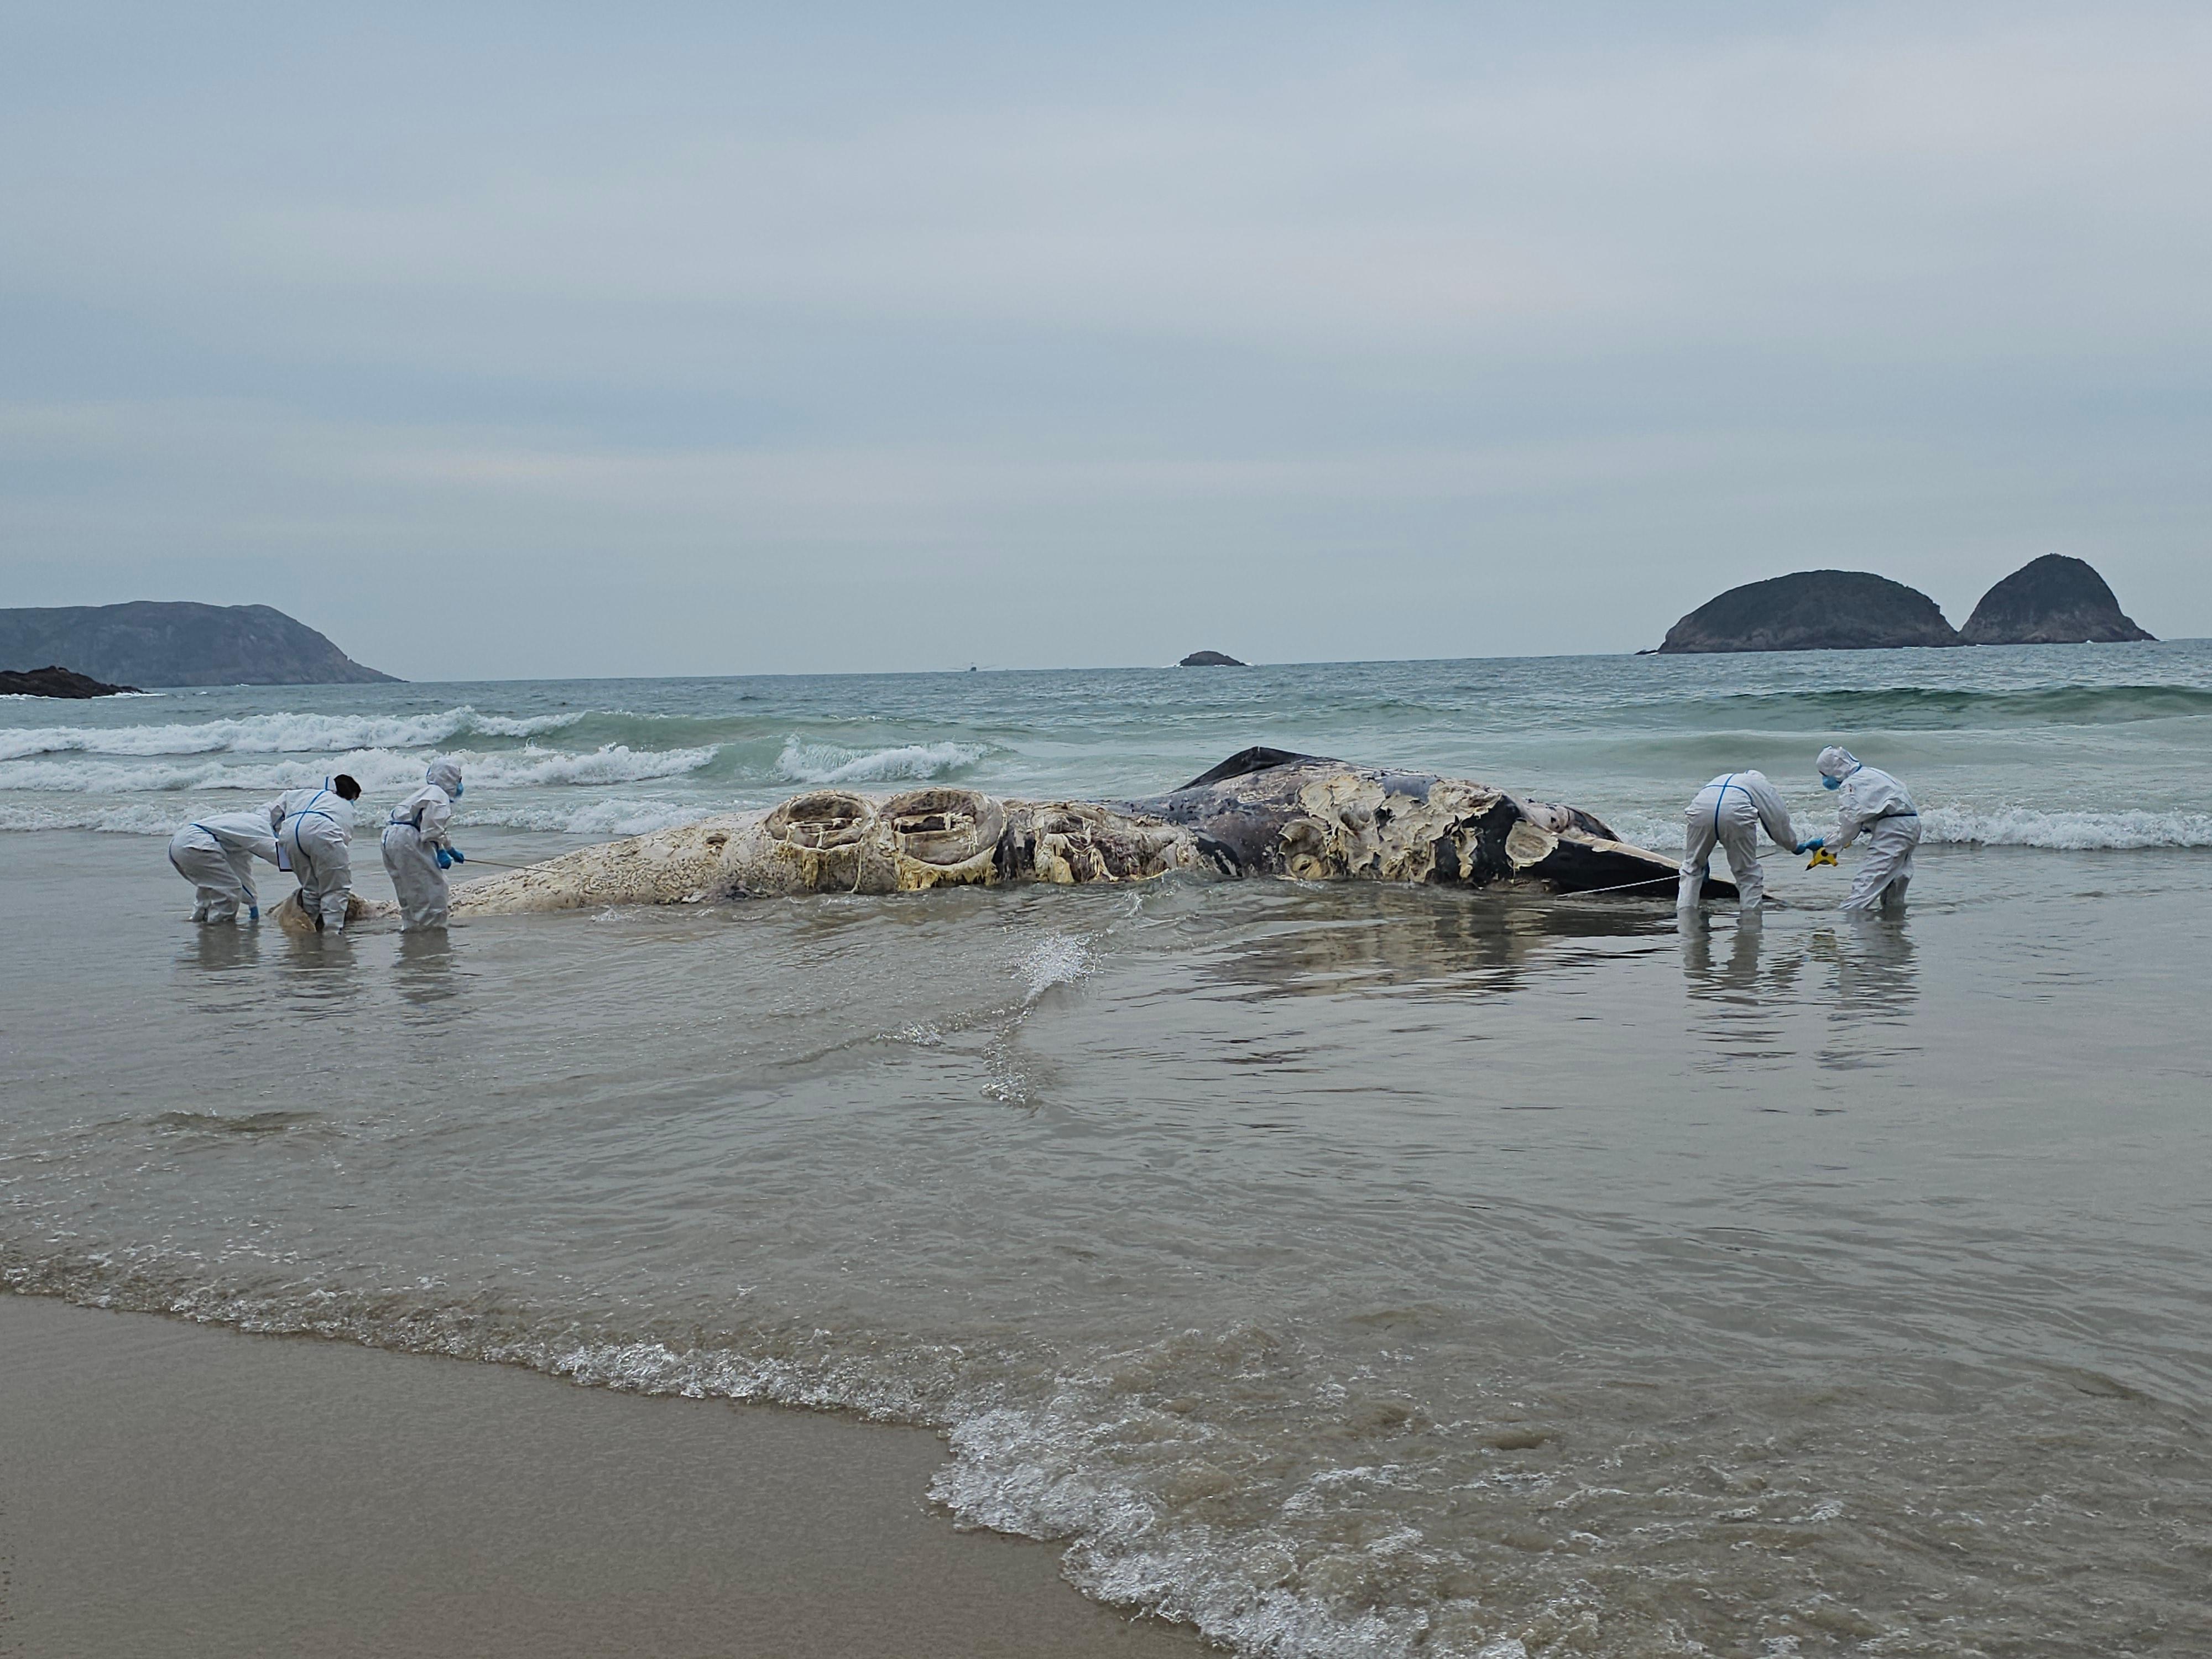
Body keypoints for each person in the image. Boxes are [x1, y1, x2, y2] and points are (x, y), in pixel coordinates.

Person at [1677, 769, 1818, 912]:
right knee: (1748, 875)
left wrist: (1701, 857)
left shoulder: (1722, 779)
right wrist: (1794, 846)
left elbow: (1713, 810)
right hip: (1736, 812)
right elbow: (1777, 823)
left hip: (1701, 810)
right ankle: (1750, 923)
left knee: (1692, 868)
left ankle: (1685, 916)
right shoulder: (1763, 787)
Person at [1817, 746, 1919, 912]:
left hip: (1894, 830)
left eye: (1823, 774)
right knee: (1895, 884)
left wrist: (1826, 844)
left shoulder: (1851, 785)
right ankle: (1892, 928)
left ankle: (1853, 928)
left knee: (1865, 886)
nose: (1824, 779)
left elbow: (1849, 828)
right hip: (1910, 825)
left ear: (1832, 770)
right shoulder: (1871, 774)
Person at [265, 774, 362, 932]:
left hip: (290, 832)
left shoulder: (298, 794)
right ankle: (332, 933)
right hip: (324, 831)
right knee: (335, 889)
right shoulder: (344, 805)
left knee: (311, 889)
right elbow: (344, 839)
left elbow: (274, 813)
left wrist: (278, 834)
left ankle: (309, 929)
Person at [381, 759, 466, 930]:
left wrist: (449, 848)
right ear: (451, 779)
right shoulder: (439, 796)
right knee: (433, 889)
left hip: (391, 836)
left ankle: (412, 929)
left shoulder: (427, 792)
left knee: (407, 889)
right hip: (409, 840)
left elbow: (429, 825)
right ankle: (432, 935)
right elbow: (432, 830)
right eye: (459, 779)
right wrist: (442, 852)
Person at [167, 810, 281, 924]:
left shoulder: (246, 822)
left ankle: (199, 920)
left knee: (210, 887)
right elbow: (277, 855)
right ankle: (220, 930)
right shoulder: (261, 827)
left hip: (180, 843)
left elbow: (240, 869)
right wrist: (299, 865)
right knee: (229, 891)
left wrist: (252, 903)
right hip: (196, 845)